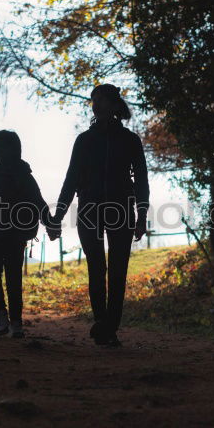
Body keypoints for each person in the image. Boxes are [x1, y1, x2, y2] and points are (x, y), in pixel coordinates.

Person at [54, 84, 149, 347]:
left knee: (118, 271)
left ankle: (109, 326)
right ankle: (104, 323)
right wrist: (58, 215)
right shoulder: (84, 140)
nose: (95, 104)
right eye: (93, 100)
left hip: (121, 210)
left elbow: (141, 179)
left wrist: (141, 214)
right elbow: (71, 179)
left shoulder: (130, 140)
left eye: (100, 100)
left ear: (114, 104)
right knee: (97, 268)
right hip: (89, 210)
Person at [0, 130, 57, 338]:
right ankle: (2, 315)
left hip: (15, 235)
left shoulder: (24, 175)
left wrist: (50, 224)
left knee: (13, 277)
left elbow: (38, 201)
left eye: (2, 146)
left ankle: (15, 321)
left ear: (13, 149)